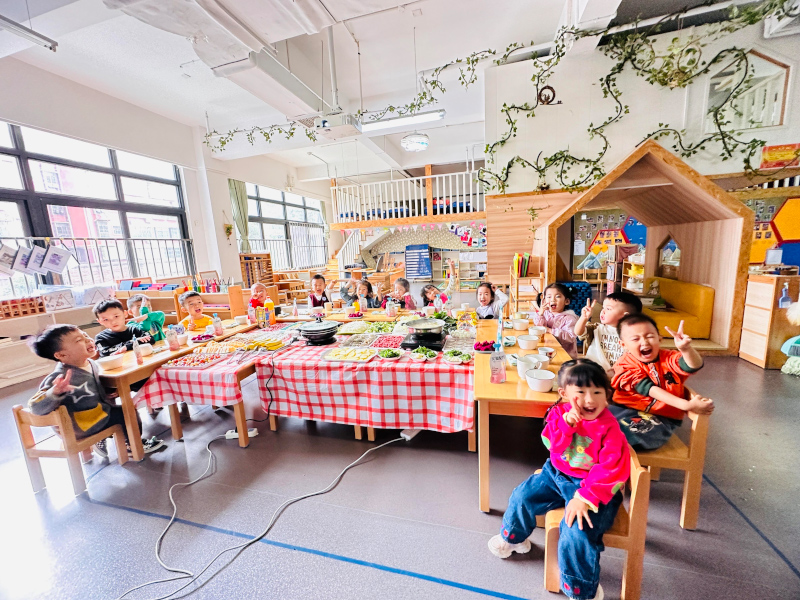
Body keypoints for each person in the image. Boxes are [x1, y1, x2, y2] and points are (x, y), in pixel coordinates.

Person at [488, 359, 629, 600]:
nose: (589, 400)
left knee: (577, 530)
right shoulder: (559, 413)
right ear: (564, 394)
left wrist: (585, 497)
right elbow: (551, 445)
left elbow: (612, 468)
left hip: (594, 488)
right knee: (523, 496)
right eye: (581, 392)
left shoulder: (610, 428)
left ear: (607, 395)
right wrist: (566, 425)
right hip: (556, 474)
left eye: (597, 392)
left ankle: (580, 588)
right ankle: (513, 538)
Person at [28, 324, 165, 458]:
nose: (88, 340)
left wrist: (106, 392)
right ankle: (132, 445)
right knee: (126, 412)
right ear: (61, 355)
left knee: (119, 409)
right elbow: (35, 408)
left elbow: (90, 389)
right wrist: (54, 392)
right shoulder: (59, 377)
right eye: (79, 340)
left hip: (95, 415)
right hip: (80, 425)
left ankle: (103, 439)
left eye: (85, 335)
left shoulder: (90, 363)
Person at [611, 314, 714, 450]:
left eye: (650, 336)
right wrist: (687, 405)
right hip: (622, 409)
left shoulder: (669, 358)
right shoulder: (624, 364)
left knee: (624, 437)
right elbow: (649, 389)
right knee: (595, 429)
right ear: (623, 344)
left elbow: (693, 365)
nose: (645, 342)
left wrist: (685, 349)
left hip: (660, 419)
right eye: (635, 339)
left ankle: (615, 466)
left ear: (660, 338)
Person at [574, 292, 642, 375]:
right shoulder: (597, 328)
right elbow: (578, 332)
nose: (603, 311)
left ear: (625, 316)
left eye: (608, 309)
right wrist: (584, 318)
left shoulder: (634, 335)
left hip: (620, 375)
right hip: (593, 372)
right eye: (603, 307)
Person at [531, 283, 579, 359]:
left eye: (557, 296)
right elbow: (539, 327)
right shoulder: (546, 313)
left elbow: (570, 337)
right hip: (548, 350)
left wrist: (551, 330)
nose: (553, 299)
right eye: (549, 297)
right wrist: (540, 314)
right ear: (544, 301)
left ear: (566, 301)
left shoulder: (570, 318)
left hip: (565, 356)